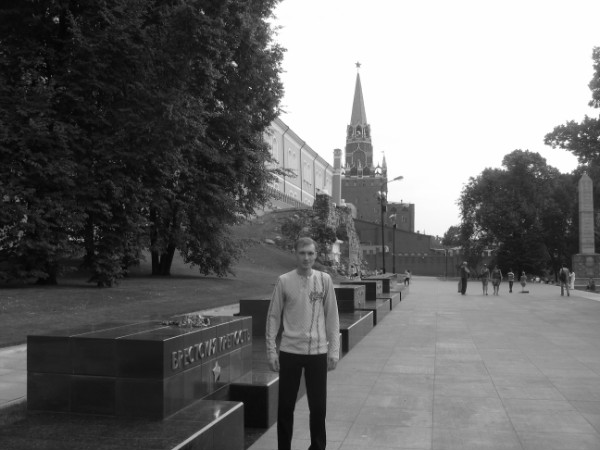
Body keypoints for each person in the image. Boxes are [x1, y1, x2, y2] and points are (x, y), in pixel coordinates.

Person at [266, 237, 340, 450]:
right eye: (302, 253)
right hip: (290, 352)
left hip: (317, 352)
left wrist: (333, 350)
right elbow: (273, 317)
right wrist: (271, 351)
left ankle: (317, 447)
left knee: (318, 408)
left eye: (310, 253)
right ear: (295, 254)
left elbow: (332, 316)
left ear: (315, 255)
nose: (306, 258)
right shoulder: (284, 281)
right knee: (285, 407)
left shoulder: (324, 280)